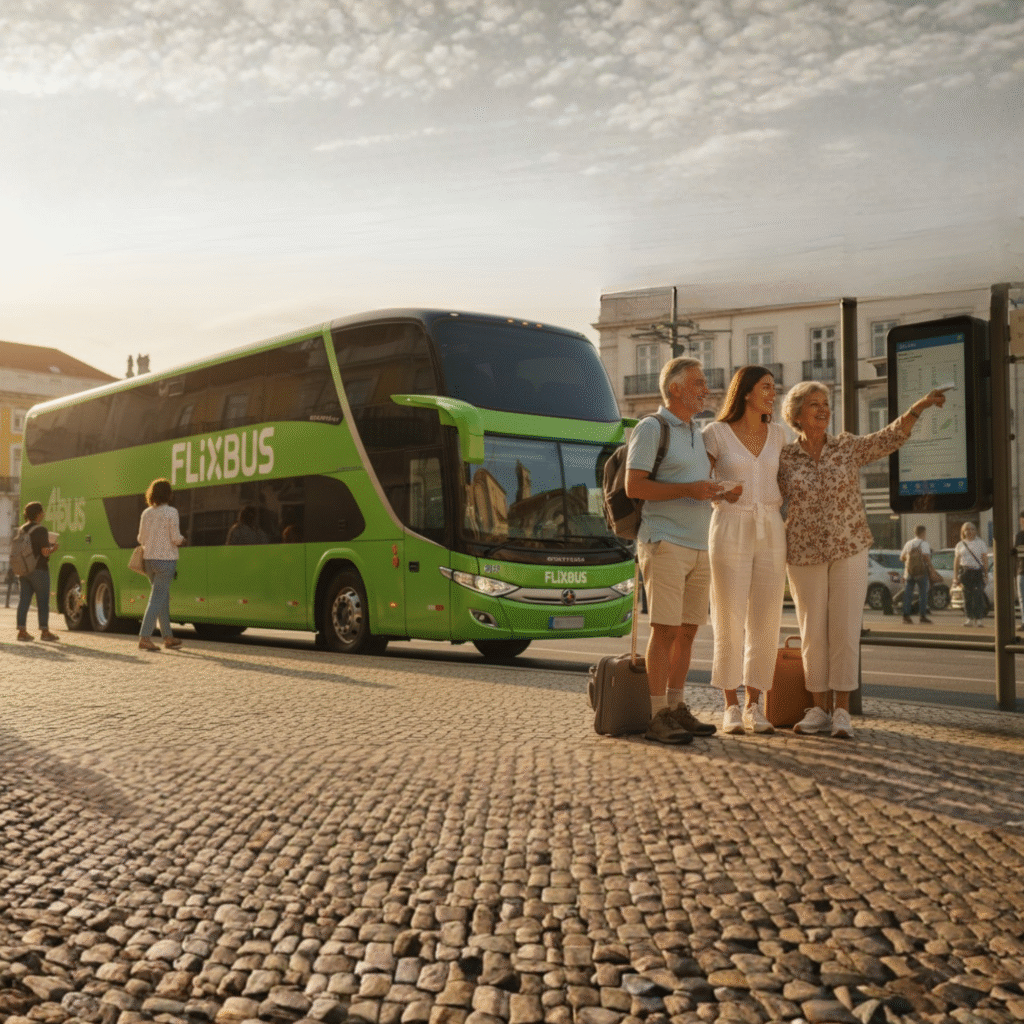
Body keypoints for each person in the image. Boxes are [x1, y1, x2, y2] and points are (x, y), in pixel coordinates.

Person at [778, 382, 947, 739]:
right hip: (803, 552)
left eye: (825, 403)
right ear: (796, 415)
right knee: (812, 633)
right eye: (813, 405)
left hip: (850, 546)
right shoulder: (785, 458)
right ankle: (818, 708)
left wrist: (917, 407)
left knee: (844, 629)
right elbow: (766, 495)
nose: (823, 409)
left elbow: (888, 438)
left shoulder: (847, 447)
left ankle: (841, 710)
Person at [625, 356, 722, 744]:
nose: (706, 389)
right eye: (698, 383)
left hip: (700, 544)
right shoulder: (652, 428)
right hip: (664, 542)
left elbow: (694, 485)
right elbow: (635, 487)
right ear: (675, 388)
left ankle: (678, 707)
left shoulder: (696, 433)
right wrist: (687, 490)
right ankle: (657, 714)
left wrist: (717, 492)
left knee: (687, 633)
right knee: (664, 631)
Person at [703, 366, 786, 735]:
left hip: (771, 525)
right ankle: (731, 705)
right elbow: (698, 482)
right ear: (747, 392)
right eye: (766, 387)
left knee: (767, 617)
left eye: (773, 388)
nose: (773, 393)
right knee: (728, 614)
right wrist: (722, 488)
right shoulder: (715, 433)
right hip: (729, 524)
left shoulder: (780, 435)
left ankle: (756, 704)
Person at [137, 478, 187, 651]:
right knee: (157, 599)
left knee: (162, 599)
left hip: (149, 561)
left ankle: (167, 637)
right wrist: (183, 540)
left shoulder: (146, 513)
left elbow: (140, 539)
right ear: (168, 494)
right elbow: (175, 538)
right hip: (166, 561)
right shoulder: (171, 512)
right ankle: (144, 637)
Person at [15, 501, 60, 642]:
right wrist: (53, 548)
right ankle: (45, 632)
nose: (44, 514)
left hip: (23, 570)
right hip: (39, 570)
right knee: (42, 601)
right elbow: (44, 552)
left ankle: (22, 632)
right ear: (38, 514)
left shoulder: (21, 529)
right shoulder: (41, 530)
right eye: (42, 511)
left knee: (24, 601)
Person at [954, 522, 988, 627]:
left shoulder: (981, 543)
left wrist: (985, 573)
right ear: (963, 532)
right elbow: (956, 561)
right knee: (967, 596)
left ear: (976, 531)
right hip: (965, 572)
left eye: (972, 529)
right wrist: (955, 577)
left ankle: (979, 619)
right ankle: (969, 618)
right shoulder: (960, 544)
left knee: (978, 596)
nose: (969, 531)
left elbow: (985, 559)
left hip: (977, 571)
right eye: (967, 529)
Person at [900, 525, 933, 625]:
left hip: (909, 572)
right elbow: (926, 558)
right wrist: (932, 569)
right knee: (923, 594)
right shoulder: (924, 543)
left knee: (908, 594)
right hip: (921, 572)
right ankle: (922, 616)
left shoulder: (909, 543)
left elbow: (901, 557)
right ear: (923, 533)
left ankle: (906, 616)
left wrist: (910, 562)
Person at [1015, 511, 1024, 633]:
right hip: (1021, 570)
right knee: (1022, 598)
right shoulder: (1019, 535)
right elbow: (1016, 552)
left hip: (1021, 570)